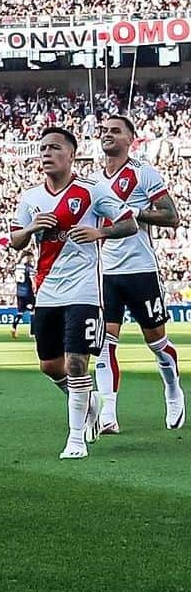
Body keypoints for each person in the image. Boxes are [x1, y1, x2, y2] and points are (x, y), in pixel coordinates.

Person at [9, 126, 137, 460]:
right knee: (50, 366)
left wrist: (99, 231)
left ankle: (76, 438)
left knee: (77, 362)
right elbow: (14, 240)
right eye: (43, 149)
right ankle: (88, 401)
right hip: (48, 291)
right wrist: (32, 228)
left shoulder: (93, 191)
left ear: (71, 154)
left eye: (54, 148)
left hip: (84, 291)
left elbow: (129, 223)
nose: (47, 154)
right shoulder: (31, 198)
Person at [90, 115, 183, 433]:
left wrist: (137, 212)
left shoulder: (144, 174)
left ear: (131, 139)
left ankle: (172, 390)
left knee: (156, 343)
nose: (108, 135)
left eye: (116, 131)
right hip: (106, 274)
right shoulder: (94, 182)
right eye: (104, 131)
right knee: (104, 344)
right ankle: (109, 412)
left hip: (141, 270)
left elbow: (172, 216)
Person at [11, 253, 35, 339]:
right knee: (33, 311)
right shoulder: (29, 268)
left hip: (19, 292)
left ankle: (14, 327)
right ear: (28, 257)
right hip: (28, 292)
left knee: (20, 312)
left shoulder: (17, 267)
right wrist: (35, 289)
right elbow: (32, 281)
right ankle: (32, 332)